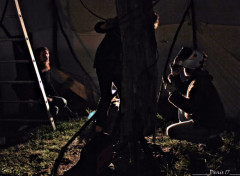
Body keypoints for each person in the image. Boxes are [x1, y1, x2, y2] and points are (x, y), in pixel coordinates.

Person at [163, 47, 225, 148]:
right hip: (209, 122)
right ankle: (210, 138)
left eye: (183, 68)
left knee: (171, 131)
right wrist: (175, 76)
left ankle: (210, 139)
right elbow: (184, 89)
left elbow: (190, 107)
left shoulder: (199, 82)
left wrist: (172, 91)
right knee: (181, 114)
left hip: (208, 125)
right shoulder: (199, 79)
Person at [93, 17, 122, 133]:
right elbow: (98, 28)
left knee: (123, 93)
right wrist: (106, 25)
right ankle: (100, 125)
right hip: (105, 63)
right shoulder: (120, 23)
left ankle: (118, 124)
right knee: (106, 95)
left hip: (116, 64)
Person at [34, 47, 67, 117]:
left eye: (47, 54)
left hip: (46, 96)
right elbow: (35, 87)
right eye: (43, 55)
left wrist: (55, 95)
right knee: (57, 106)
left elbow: (48, 84)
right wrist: (45, 98)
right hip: (38, 97)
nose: (46, 56)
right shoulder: (36, 69)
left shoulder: (46, 67)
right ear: (38, 57)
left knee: (61, 103)